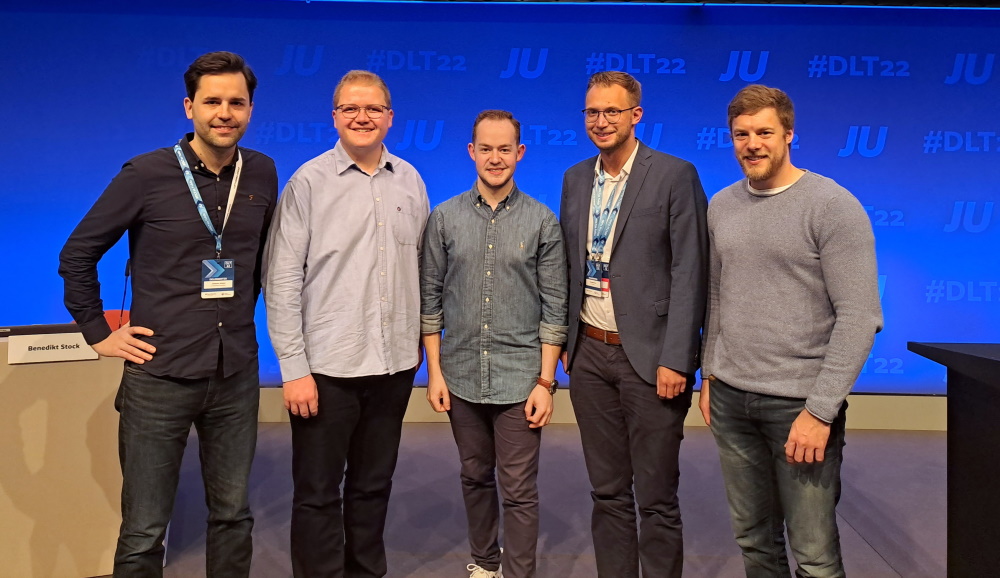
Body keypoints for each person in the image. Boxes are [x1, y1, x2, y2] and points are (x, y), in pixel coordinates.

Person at [58, 51, 277, 577]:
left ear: (249, 109)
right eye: (212, 102)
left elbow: (264, 265)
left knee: (232, 517)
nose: (225, 112)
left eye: (237, 102)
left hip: (235, 375)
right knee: (144, 531)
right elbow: (78, 254)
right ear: (189, 107)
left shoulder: (263, 173)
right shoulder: (146, 173)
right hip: (159, 376)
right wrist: (97, 333)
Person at [699, 84, 883, 578]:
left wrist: (820, 411)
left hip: (799, 406)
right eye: (741, 134)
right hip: (732, 402)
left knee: (815, 555)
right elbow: (717, 297)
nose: (752, 144)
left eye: (764, 132)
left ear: (788, 133)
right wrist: (710, 374)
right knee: (755, 545)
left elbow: (860, 318)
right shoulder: (721, 206)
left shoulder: (831, 206)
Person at [263, 70, 429, 578]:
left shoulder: (411, 180)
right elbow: (281, 282)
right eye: (351, 109)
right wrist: (293, 369)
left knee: (373, 486)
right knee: (316, 494)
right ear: (334, 117)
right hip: (325, 371)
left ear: (390, 118)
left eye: (373, 109)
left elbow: (420, 269)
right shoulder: (307, 183)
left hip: (394, 367)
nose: (362, 117)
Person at [559, 71, 708, 577]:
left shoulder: (673, 174)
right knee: (606, 492)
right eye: (592, 113)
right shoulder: (576, 178)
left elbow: (691, 271)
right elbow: (570, 266)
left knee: (657, 498)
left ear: (635, 115)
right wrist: (565, 341)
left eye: (612, 112)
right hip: (590, 356)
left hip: (649, 359)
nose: (601, 122)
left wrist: (678, 358)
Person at [421, 110, 568, 578]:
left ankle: (518, 573)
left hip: (520, 381)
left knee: (520, 489)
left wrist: (546, 382)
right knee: (474, 476)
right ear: (471, 151)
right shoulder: (443, 219)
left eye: (505, 149)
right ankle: (485, 564)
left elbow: (555, 309)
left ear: (520, 153)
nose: (495, 157)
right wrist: (436, 374)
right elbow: (430, 302)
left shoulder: (543, 222)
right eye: (486, 148)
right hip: (460, 377)